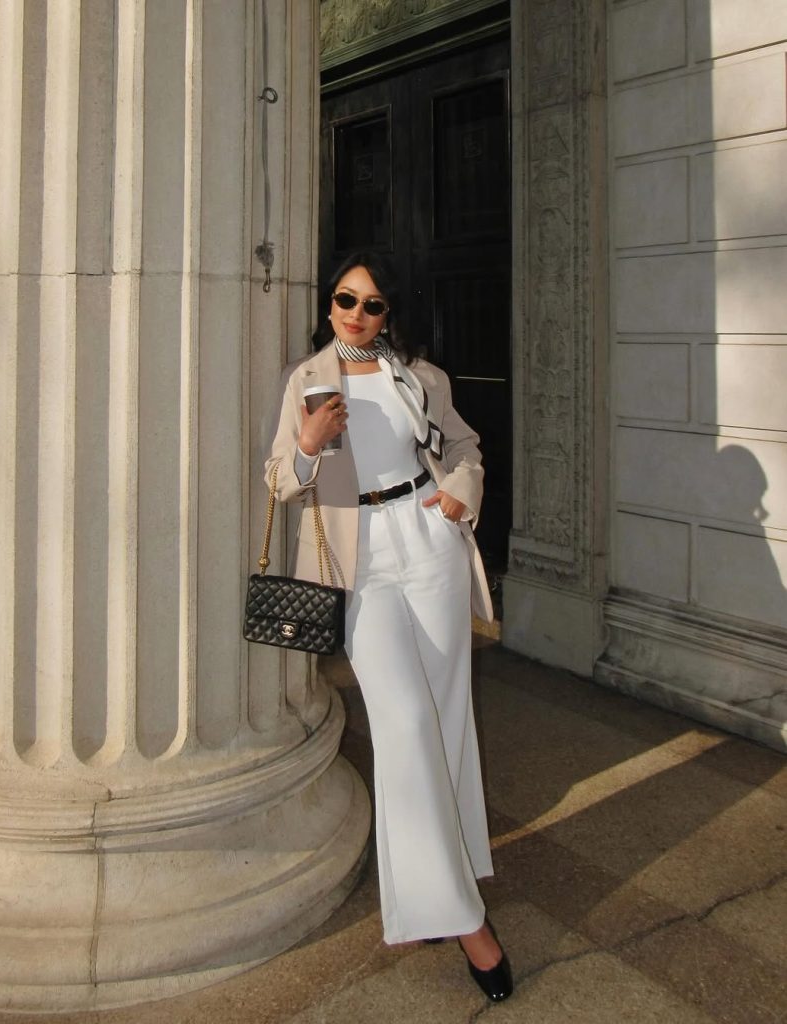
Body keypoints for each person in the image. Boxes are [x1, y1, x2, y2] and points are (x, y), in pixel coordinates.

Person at [265, 251, 512, 1002]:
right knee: (403, 723)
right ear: (329, 303)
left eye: (372, 305)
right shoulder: (307, 380)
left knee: (445, 717)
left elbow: (464, 447)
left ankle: (444, 881)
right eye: (346, 299)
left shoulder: (421, 376)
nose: (356, 314)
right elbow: (279, 481)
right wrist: (308, 445)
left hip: (428, 540)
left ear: (388, 313)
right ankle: (467, 922)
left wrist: (461, 491)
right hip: (359, 557)